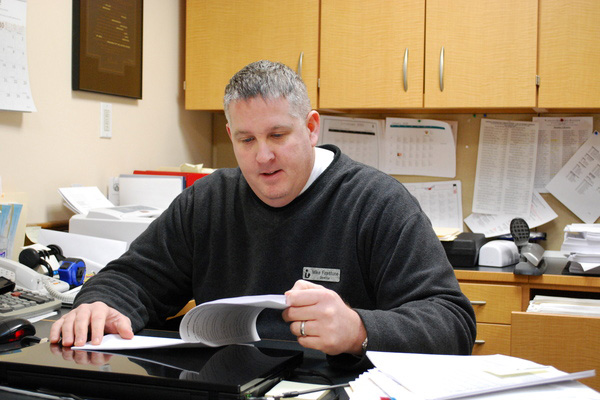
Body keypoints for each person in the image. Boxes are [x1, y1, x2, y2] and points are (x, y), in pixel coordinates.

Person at [50, 60, 476, 364]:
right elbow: (135, 278)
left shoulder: (377, 203)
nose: (263, 156)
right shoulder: (209, 201)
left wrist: (359, 329)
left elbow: (452, 322)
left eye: (277, 134)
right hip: (227, 385)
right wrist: (100, 303)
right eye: (246, 140)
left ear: (311, 128)